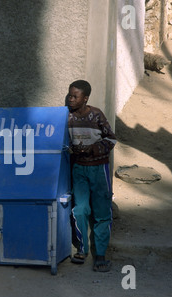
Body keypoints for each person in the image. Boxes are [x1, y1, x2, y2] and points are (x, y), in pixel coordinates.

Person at [67, 80, 117, 272]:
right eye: (70, 95)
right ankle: (82, 249)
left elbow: (111, 138)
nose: (71, 99)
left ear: (85, 98)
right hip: (79, 169)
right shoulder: (67, 117)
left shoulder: (96, 115)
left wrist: (92, 149)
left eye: (75, 96)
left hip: (98, 169)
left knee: (102, 212)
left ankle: (101, 255)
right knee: (80, 209)